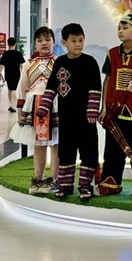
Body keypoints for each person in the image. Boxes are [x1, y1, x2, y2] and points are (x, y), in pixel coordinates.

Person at [37, 23, 101, 200]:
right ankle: (65, 186)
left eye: (81, 40)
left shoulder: (90, 62)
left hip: (86, 119)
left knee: (88, 152)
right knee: (66, 152)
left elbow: (96, 88)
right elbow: (52, 86)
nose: (78, 44)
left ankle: (85, 186)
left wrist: (92, 110)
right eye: (74, 41)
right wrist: (44, 106)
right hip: (66, 117)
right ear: (64, 42)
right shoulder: (60, 62)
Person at [97, 14, 132, 199]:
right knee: (113, 149)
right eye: (119, 28)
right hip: (114, 110)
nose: (120, 31)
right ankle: (110, 184)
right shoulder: (111, 54)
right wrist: (104, 107)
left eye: (125, 27)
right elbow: (107, 80)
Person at [10, 27, 59, 195]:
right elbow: (22, 89)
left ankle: (54, 179)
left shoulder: (59, 62)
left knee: (56, 144)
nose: (44, 43)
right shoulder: (28, 65)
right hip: (34, 107)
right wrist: (19, 112)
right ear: (35, 44)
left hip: (55, 106)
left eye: (47, 39)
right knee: (39, 145)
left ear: (54, 42)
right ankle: (38, 179)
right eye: (39, 40)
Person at [0, 37, 25, 113]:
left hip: (8, 74)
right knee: (14, 89)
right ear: (15, 44)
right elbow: (21, 65)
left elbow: (2, 65)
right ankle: (12, 105)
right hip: (16, 74)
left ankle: (11, 105)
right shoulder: (18, 54)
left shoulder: (6, 53)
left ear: (8, 44)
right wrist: (23, 74)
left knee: (10, 89)